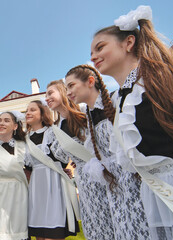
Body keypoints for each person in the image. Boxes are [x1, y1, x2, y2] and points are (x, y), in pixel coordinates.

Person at [90, 5, 173, 240]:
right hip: (156, 196)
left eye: (100, 47)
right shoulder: (123, 99)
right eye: (92, 52)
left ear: (128, 42)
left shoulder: (169, 76)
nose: (93, 56)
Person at [65, 66, 150, 239]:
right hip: (115, 186)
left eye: (71, 86)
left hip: (134, 182)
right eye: (66, 88)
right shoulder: (88, 115)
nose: (68, 92)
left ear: (90, 81)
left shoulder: (116, 100)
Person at [45, 79, 119, 240]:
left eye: (50, 93)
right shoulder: (56, 128)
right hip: (84, 180)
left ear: (63, 92)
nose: (46, 98)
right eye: (45, 95)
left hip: (107, 173)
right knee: (96, 223)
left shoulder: (85, 112)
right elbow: (62, 157)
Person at [24, 100, 79, 240]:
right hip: (36, 187)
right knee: (39, 234)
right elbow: (27, 168)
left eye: (32, 110)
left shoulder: (53, 132)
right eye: (26, 111)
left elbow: (65, 155)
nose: (28, 113)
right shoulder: (24, 139)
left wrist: (63, 169)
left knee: (53, 233)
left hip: (54, 184)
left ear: (42, 114)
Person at [0, 111, 28, 240]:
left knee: (16, 231)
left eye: (7, 120)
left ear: (15, 126)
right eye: (0, 120)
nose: (1, 123)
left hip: (18, 195)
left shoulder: (24, 147)